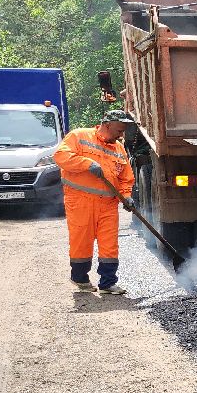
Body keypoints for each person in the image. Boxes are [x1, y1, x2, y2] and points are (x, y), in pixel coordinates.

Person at [54, 109, 137, 296]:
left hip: (108, 205)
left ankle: (108, 283)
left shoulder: (119, 148)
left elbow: (125, 178)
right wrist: (86, 163)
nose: (121, 135)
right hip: (81, 202)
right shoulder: (79, 136)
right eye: (119, 130)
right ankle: (80, 278)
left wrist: (126, 196)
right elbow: (60, 156)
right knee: (81, 242)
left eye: (123, 131)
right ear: (107, 125)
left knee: (110, 244)